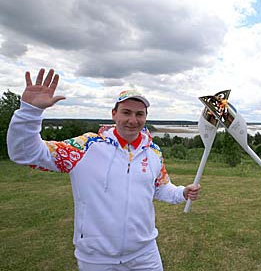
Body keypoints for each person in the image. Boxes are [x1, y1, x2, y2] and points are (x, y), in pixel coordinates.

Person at [7, 67, 201, 271]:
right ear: (114, 114)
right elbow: (25, 153)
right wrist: (30, 112)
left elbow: (160, 187)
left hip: (145, 253)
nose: (132, 120)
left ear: (145, 117)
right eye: (126, 112)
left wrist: (182, 192)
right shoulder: (85, 147)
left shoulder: (153, 151)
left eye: (139, 114)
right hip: (96, 258)